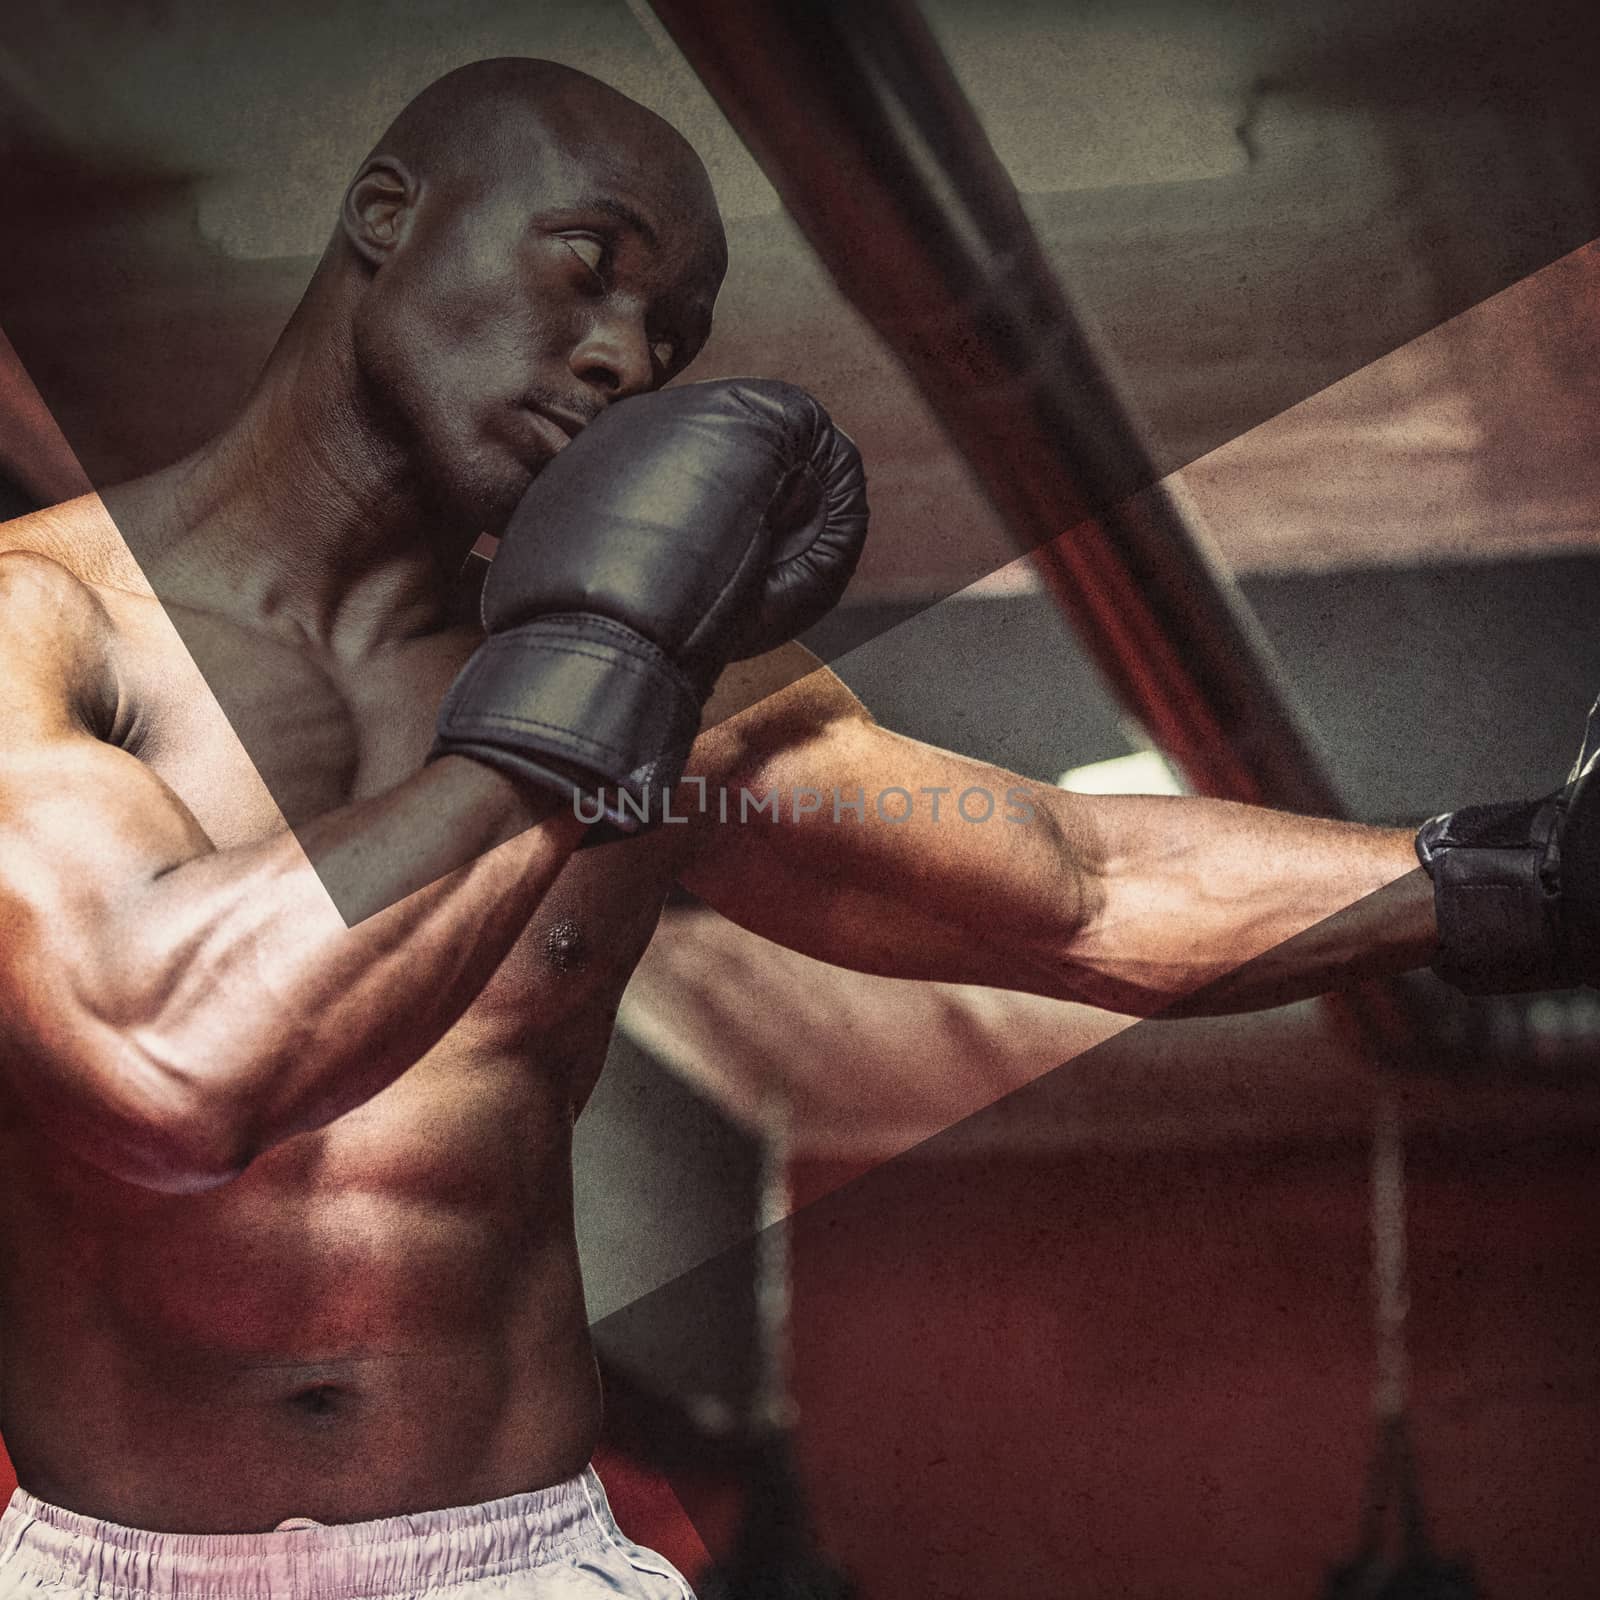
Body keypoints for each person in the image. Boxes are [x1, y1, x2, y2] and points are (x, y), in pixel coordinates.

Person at [0, 55, 1590, 1600]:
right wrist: (595, 692)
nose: (624, 354)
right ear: (387, 212)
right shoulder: (44, 626)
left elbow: (1084, 887)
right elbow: (165, 1067)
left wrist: (1522, 872)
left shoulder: (683, 678)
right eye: (589, 266)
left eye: (668, 331)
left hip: (513, 1561)